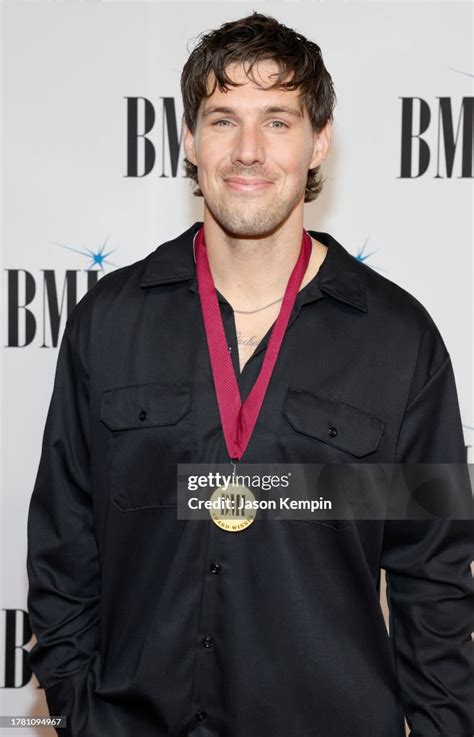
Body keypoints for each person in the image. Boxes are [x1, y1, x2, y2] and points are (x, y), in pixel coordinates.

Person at [26, 11, 473, 737]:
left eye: (278, 120)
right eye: (223, 118)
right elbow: (63, 544)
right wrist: (83, 710)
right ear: (189, 140)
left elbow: (436, 584)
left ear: (318, 140)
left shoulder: (400, 341)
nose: (248, 150)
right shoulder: (107, 323)